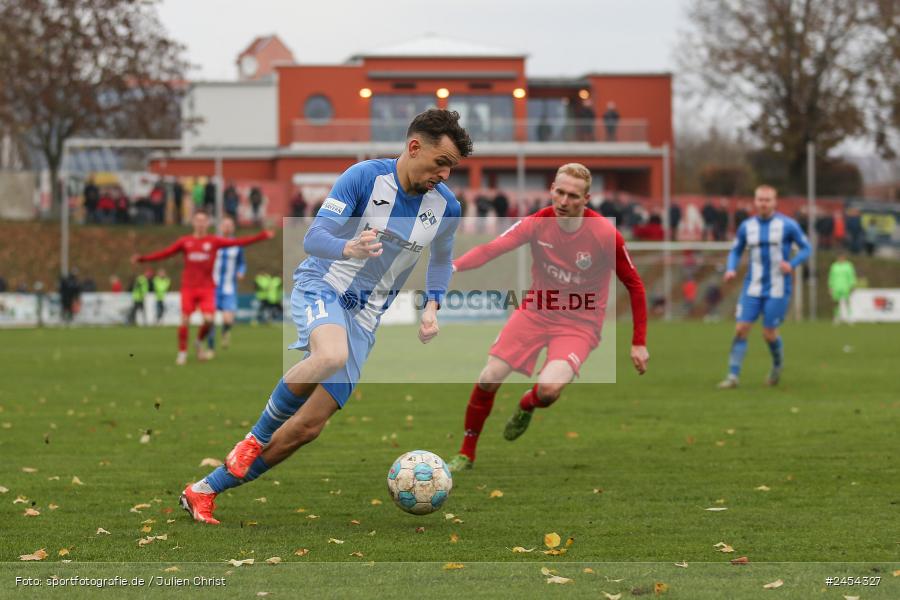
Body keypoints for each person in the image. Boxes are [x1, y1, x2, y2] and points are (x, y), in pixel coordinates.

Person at [180, 108, 473, 524]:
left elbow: (442, 261)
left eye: (452, 167)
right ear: (414, 147)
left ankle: (203, 490)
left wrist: (432, 307)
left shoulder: (446, 207)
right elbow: (315, 237)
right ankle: (253, 438)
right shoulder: (364, 178)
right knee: (330, 355)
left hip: (366, 319)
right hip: (325, 286)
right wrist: (348, 248)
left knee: (306, 429)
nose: (445, 174)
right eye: (441, 162)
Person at [446, 163, 649, 472]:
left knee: (549, 390)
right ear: (552, 189)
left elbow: (635, 285)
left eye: (572, 196)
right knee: (489, 377)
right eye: (559, 192)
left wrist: (638, 342)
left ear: (586, 199)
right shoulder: (537, 222)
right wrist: (453, 267)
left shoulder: (605, 235)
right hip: (535, 312)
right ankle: (466, 452)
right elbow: (493, 248)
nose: (564, 201)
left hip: (580, 324)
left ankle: (527, 403)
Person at [132, 210, 273, 365]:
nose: (200, 223)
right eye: (197, 220)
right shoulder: (185, 241)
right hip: (189, 288)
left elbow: (238, 242)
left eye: (203, 220)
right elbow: (165, 253)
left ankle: (199, 341)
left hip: (207, 288)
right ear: (193, 222)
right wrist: (143, 259)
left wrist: (261, 236)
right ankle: (182, 353)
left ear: (208, 223)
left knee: (209, 320)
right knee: (184, 319)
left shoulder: (213, 241)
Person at [717, 185, 810, 389]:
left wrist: (792, 264)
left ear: (775, 202)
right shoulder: (747, 226)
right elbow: (736, 250)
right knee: (741, 329)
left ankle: (777, 366)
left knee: (768, 333)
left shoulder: (788, 225)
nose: (763, 203)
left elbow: (806, 248)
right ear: (755, 201)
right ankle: (733, 376)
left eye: (767, 200)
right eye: (760, 199)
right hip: (753, 287)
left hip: (778, 287)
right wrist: (731, 268)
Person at [207, 216, 246, 353]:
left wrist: (241, 271)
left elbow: (242, 263)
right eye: (225, 225)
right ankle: (210, 348)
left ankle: (225, 332)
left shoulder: (237, 244)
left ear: (233, 227)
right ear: (221, 227)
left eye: (230, 225)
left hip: (229, 287)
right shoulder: (213, 242)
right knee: (209, 320)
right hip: (213, 287)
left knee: (228, 320)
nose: (228, 227)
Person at [828, 253, 857, 324]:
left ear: (844, 258)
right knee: (836, 303)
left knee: (847, 302)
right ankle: (836, 317)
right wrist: (830, 287)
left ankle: (850, 317)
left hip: (846, 287)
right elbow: (831, 277)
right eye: (839, 257)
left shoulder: (848, 266)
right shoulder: (834, 266)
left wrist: (852, 285)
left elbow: (851, 276)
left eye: (842, 257)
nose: (840, 259)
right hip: (836, 287)